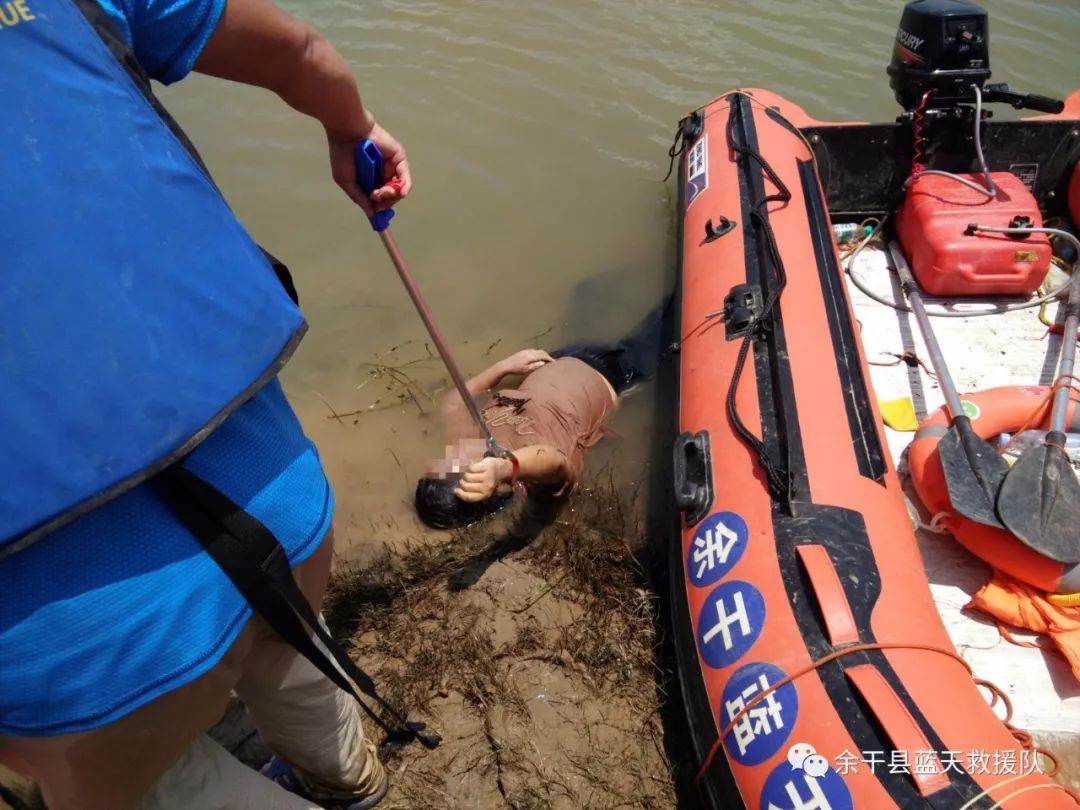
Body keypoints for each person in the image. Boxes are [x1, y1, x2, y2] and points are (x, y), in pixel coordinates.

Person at [0, 0, 410, 808]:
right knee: (290, 642)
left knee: (147, 778)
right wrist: (352, 130)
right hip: (283, 499)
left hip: (80, 657)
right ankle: (349, 780)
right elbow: (299, 50)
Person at [415, 305, 663, 529]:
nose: (454, 452)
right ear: (486, 485)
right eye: (455, 462)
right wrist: (506, 469)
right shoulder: (533, 483)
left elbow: (454, 403)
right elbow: (556, 462)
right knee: (665, 320)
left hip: (555, 358)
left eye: (446, 459)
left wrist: (504, 367)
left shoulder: (466, 443)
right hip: (615, 371)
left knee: (587, 294)